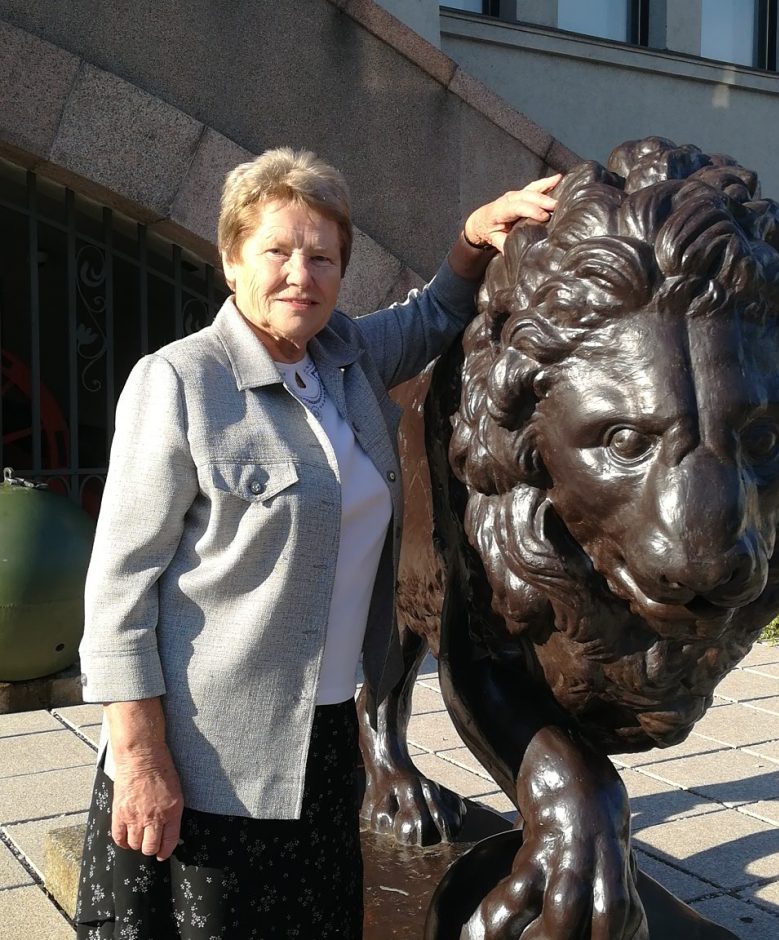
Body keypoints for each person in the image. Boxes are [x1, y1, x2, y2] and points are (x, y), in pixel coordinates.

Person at [73, 147, 558, 939]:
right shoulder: (181, 382)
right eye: (278, 251)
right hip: (207, 760)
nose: (301, 273)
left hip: (328, 740)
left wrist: (473, 238)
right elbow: (120, 586)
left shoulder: (349, 359)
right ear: (232, 260)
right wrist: (138, 758)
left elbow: (437, 313)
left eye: (323, 256)